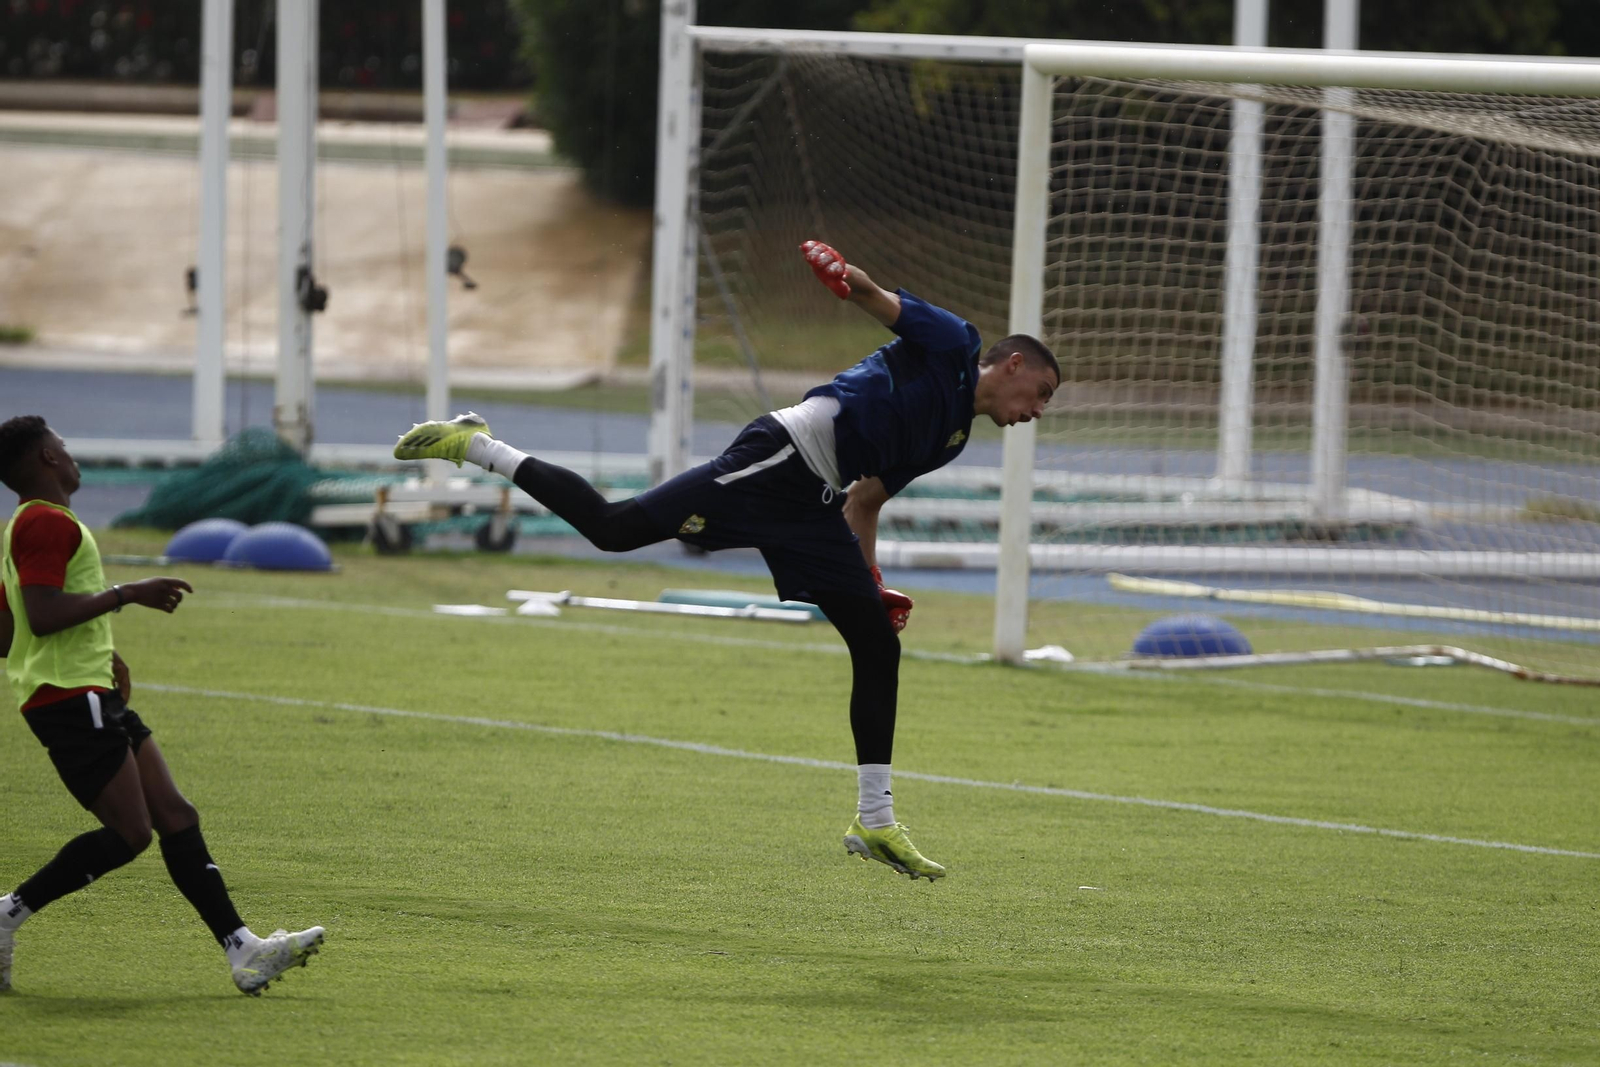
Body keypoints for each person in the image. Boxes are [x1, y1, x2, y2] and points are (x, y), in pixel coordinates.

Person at [394, 241, 1059, 881]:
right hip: (783, 457)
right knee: (614, 529)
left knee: (877, 644)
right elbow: (875, 297)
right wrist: (840, 272)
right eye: (1042, 393)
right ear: (1014, 366)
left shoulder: (951, 437)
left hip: (816, 502)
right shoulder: (956, 343)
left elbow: (865, 502)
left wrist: (871, 583)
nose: (1036, 412)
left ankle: (875, 819)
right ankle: (479, 446)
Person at [0, 415, 325, 995]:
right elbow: (43, 617)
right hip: (69, 699)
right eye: (62, 446)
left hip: (87, 686)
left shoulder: (29, 523)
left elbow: (10, 629)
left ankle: (243, 951)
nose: (71, 455)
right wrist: (128, 594)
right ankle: (6, 915)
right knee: (131, 833)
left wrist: (100, 647)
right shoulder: (46, 525)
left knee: (175, 813)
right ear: (47, 459)